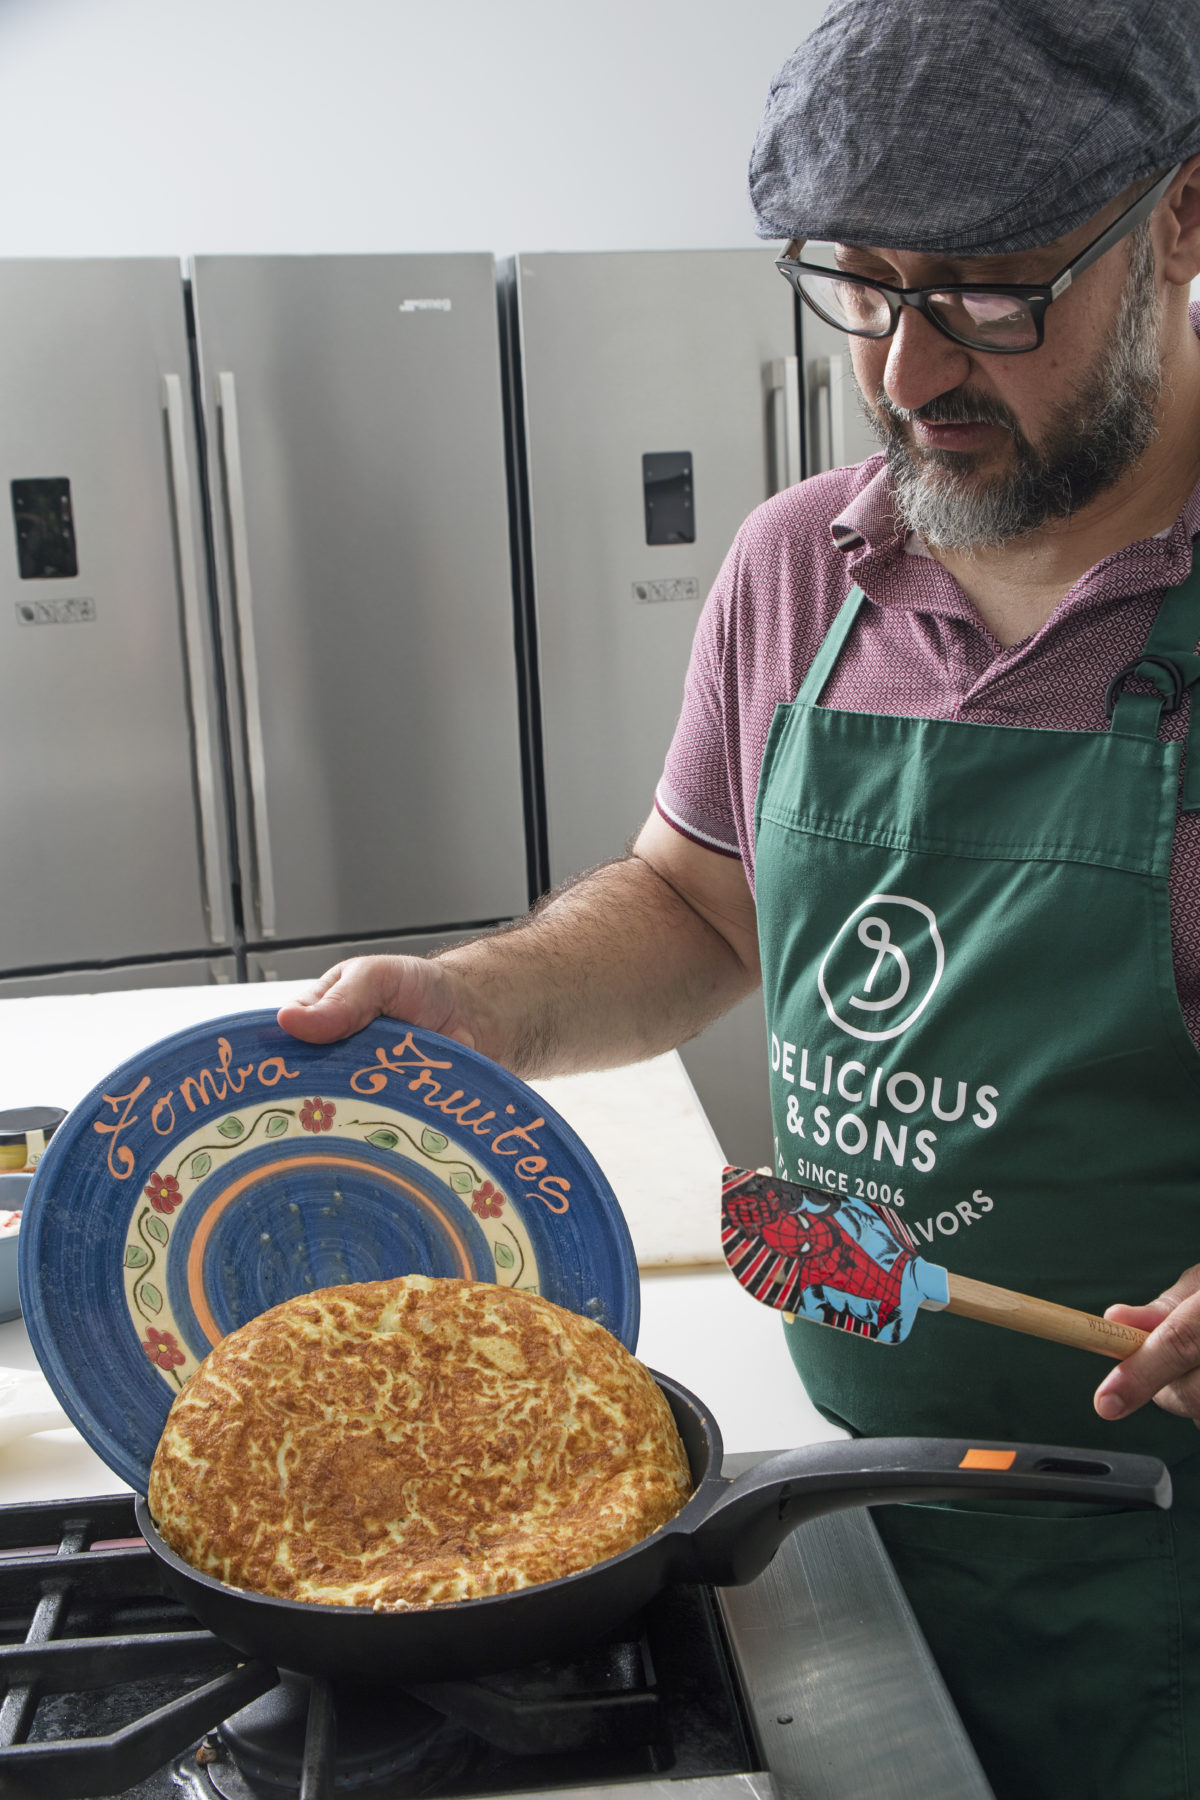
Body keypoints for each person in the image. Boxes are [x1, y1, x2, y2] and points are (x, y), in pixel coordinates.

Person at [281, 3, 1200, 1792]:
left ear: (1179, 221)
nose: (905, 369)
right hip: (836, 1508)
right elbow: (700, 912)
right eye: (860, 285)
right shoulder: (805, 564)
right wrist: (476, 1005)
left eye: (991, 292)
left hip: (1162, 1576)